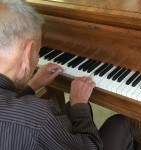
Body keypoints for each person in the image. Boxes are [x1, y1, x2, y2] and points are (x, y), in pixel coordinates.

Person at [0, 0, 133, 149]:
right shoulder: (38, 117)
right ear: (27, 52)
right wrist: (79, 104)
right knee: (120, 124)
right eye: (38, 50)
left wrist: (32, 86)